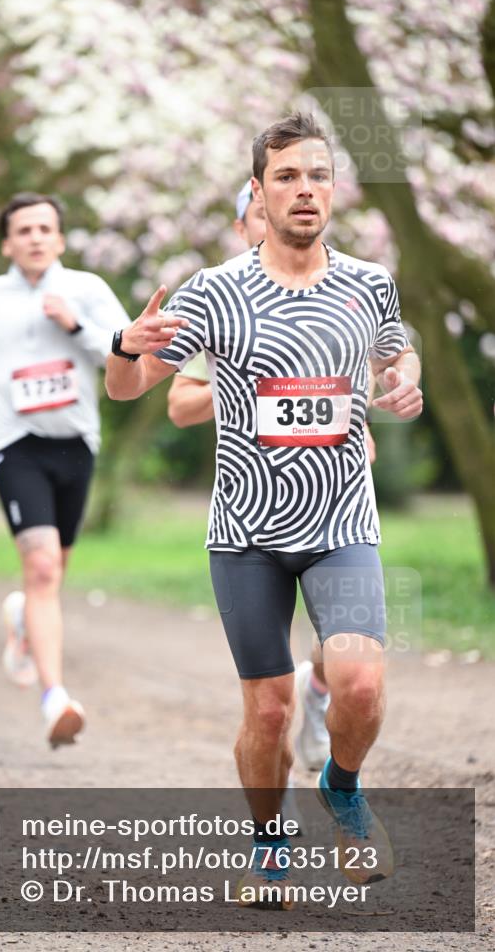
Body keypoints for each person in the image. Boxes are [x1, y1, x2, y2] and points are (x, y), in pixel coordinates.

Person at [106, 113, 422, 906]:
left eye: (317, 174)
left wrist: (402, 378)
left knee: (356, 686)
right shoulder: (214, 291)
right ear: (258, 191)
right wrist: (124, 344)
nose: (304, 189)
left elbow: (396, 346)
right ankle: (267, 844)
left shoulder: (368, 282)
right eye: (285, 176)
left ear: (333, 188)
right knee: (270, 705)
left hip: (341, 524)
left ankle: (341, 787)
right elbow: (127, 388)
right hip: (246, 534)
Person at [167, 181, 379, 774]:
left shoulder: (342, 292)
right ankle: (272, 829)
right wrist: (246, 380)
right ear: (243, 227)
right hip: (252, 513)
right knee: (266, 706)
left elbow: (355, 384)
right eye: (259, 214)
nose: (273, 222)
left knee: (347, 660)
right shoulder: (217, 300)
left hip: (333, 500)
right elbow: (178, 406)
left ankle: (321, 693)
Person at [0, 192, 129, 749]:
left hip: (76, 441)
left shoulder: (87, 289)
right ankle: (55, 698)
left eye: (43, 228)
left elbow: (130, 354)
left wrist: (77, 326)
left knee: (56, 567)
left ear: (60, 238)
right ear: (7, 243)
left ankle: (24, 616)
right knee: (45, 567)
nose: (33, 237)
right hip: (14, 442)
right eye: (22, 229)